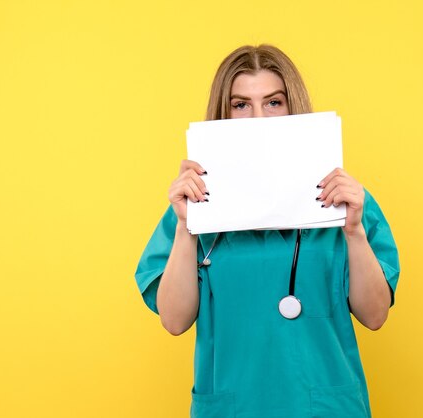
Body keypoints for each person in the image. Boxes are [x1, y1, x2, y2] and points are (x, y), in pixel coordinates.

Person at [135, 44, 400, 418]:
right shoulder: (195, 205)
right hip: (233, 406)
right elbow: (174, 321)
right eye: (240, 104)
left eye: (274, 102)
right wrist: (185, 226)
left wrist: (354, 231)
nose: (259, 117)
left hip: (324, 408)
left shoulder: (345, 200)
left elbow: (375, 316)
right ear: (222, 114)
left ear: (294, 107)